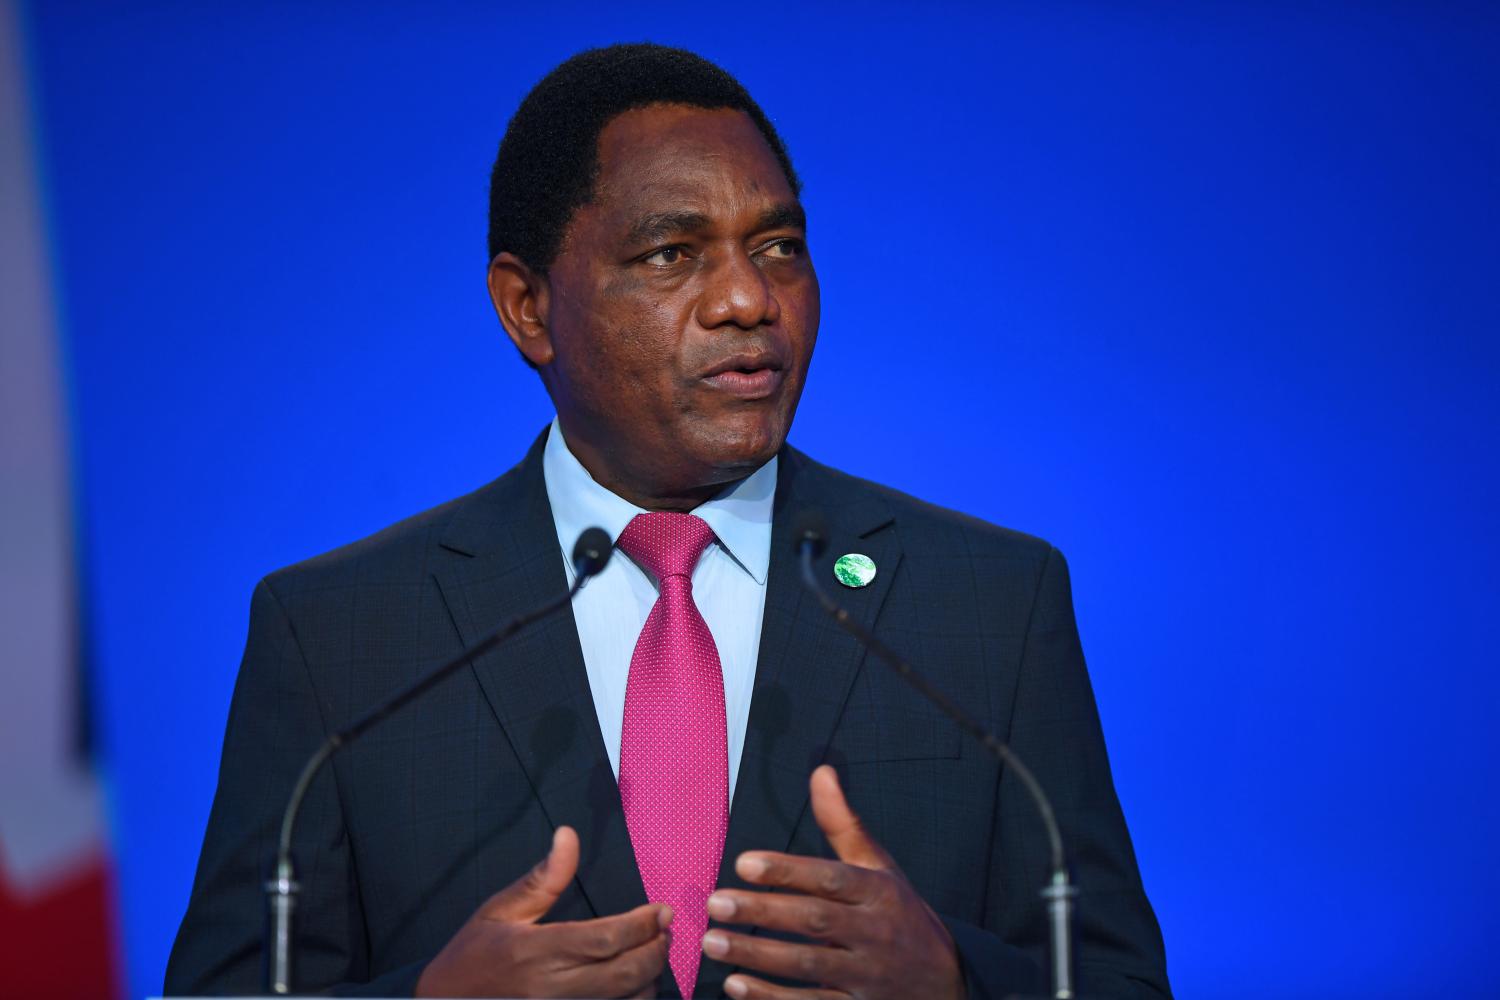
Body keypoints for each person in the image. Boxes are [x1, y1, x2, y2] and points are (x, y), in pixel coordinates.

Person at [165, 44, 1170, 999]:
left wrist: (955, 980)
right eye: (672, 253)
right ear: (526, 308)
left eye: (778, 246)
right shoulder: (344, 634)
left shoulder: (986, 603)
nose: (748, 299)